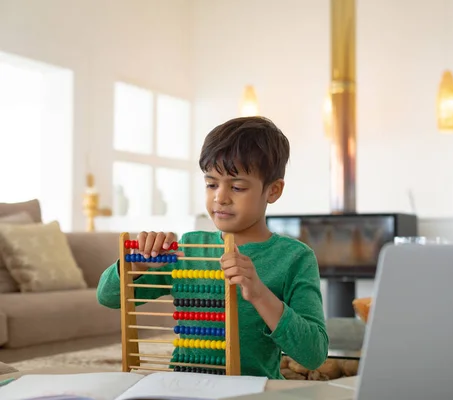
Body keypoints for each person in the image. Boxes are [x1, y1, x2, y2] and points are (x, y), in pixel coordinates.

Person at [96, 116, 329, 379]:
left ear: (273, 191)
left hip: (254, 392)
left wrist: (260, 294)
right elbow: (108, 297)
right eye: (211, 184)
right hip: (183, 388)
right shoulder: (188, 249)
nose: (220, 197)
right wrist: (136, 263)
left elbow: (314, 354)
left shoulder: (295, 258)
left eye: (237, 186)